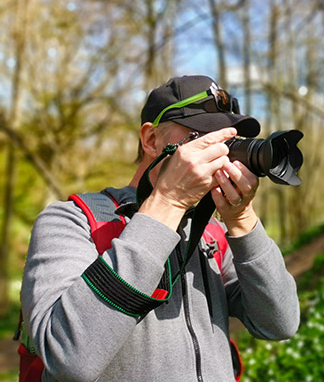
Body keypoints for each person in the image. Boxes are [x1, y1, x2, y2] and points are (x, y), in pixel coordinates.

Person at [20, 75, 300, 381]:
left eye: (227, 142)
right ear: (151, 140)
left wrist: (241, 218)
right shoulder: (71, 221)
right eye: (202, 136)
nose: (219, 153)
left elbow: (279, 323)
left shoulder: (211, 233)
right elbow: (69, 358)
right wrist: (169, 201)